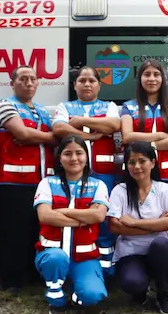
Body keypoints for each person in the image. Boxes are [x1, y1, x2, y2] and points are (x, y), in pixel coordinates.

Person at [52, 66, 121, 275]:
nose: (87, 84)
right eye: (82, 80)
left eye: (92, 80)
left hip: (104, 174)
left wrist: (81, 121)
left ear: (99, 85)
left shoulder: (108, 106)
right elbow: (59, 128)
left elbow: (113, 125)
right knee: (77, 219)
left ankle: (105, 271)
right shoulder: (65, 106)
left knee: (104, 223)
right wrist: (90, 136)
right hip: (73, 177)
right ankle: (75, 267)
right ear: (75, 85)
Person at [0, 65, 55, 293]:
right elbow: (22, 134)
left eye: (33, 79)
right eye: (23, 79)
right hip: (15, 182)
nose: (29, 83)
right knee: (14, 232)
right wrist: (45, 137)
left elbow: (44, 137)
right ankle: (12, 282)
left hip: (42, 182)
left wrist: (38, 138)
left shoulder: (42, 110)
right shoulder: (5, 105)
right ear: (12, 83)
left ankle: (32, 277)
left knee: (37, 231)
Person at [34, 135, 110, 314]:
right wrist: (83, 219)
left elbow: (98, 215)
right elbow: (44, 215)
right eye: (67, 153)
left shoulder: (98, 185)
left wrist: (61, 212)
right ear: (60, 158)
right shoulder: (47, 183)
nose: (74, 158)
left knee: (92, 296)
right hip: (52, 253)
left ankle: (77, 293)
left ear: (86, 157)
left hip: (84, 258)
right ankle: (56, 297)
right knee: (56, 258)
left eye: (79, 153)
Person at [108, 142, 168, 314]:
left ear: (153, 163)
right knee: (133, 283)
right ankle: (140, 291)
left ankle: (164, 293)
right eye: (132, 162)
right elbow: (114, 226)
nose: (137, 167)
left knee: (161, 245)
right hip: (130, 252)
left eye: (142, 161)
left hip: (160, 251)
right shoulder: (120, 191)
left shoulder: (164, 189)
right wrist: (157, 224)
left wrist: (133, 223)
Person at [120, 59, 168, 202]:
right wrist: (159, 135)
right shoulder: (128, 107)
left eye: (156, 74)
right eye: (147, 74)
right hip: (139, 174)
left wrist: (150, 145)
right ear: (140, 79)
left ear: (162, 79)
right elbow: (127, 136)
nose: (152, 79)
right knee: (141, 214)